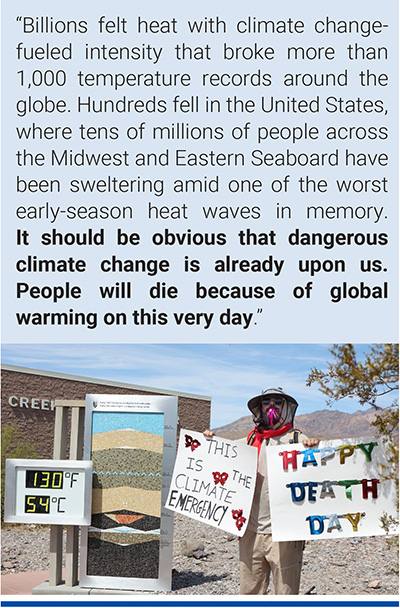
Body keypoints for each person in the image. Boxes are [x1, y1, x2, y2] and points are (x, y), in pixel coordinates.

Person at [204, 386, 318, 595]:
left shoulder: (296, 440)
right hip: (251, 531)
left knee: (286, 592)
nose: (271, 406)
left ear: (285, 407)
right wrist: (210, 440)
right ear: (260, 408)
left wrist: (312, 447)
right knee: (250, 591)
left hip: (284, 533)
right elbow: (223, 452)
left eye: (277, 401)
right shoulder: (250, 439)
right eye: (267, 402)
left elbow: (317, 465)